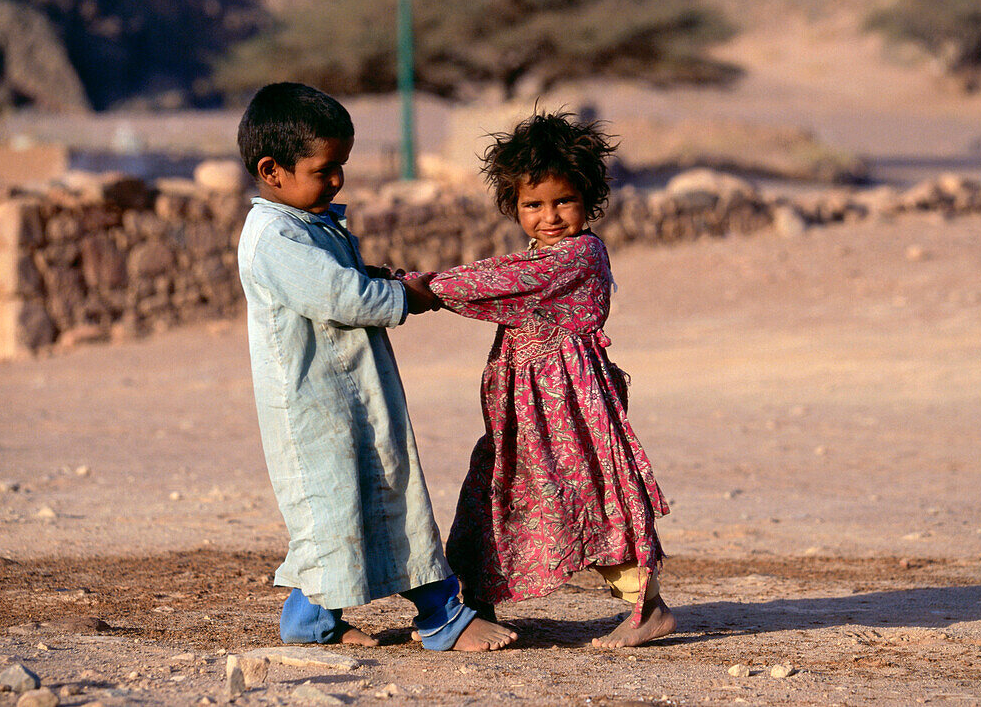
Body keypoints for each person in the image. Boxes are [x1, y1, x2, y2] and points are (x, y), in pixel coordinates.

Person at [235, 82, 516, 652]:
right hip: (316, 408)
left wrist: (381, 277)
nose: (338, 179)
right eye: (326, 168)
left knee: (380, 495)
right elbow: (340, 297)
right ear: (273, 170)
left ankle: (311, 621)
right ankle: (440, 616)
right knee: (335, 512)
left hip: (354, 396)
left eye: (342, 165)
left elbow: (346, 284)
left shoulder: (310, 224)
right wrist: (410, 295)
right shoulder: (273, 237)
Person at [415, 111, 676, 647]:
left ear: (588, 199)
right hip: (520, 409)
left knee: (588, 493)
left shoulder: (579, 255)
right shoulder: (542, 254)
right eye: (533, 205)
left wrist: (422, 287)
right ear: (514, 206)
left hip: (568, 406)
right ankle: (475, 603)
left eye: (563, 201)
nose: (550, 216)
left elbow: (501, 280)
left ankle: (646, 607)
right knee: (492, 491)